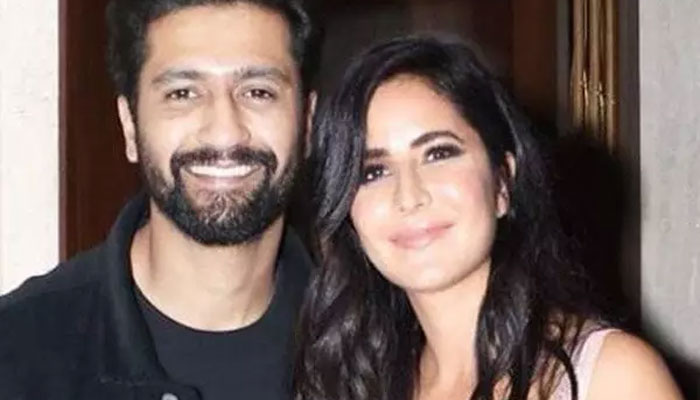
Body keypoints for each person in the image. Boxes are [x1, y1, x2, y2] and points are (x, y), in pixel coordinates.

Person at [295, 34, 682, 400]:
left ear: (502, 184)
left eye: (438, 153)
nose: (408, 196)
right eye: (373, 172)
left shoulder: (610, 376)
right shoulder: (350, 384)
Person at [0, 0, 319, 399]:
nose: (225, 131)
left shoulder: (375, 347)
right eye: (183, 93)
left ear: (308, 123)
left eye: (258, 92)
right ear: (130, 127)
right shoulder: (16, 357)